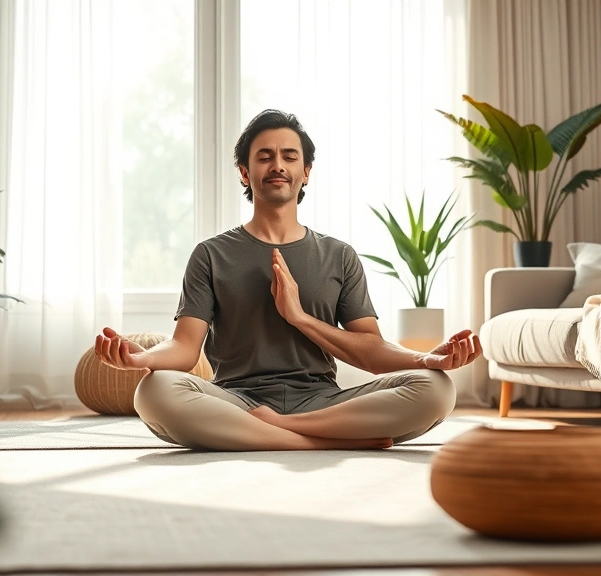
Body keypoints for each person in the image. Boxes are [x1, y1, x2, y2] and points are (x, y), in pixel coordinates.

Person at [96, 109, 481, 451]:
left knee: (436, 387)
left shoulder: (338, 255)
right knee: (154, 390)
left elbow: (371, 352)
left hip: (323, 401)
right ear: (246, 173)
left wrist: (425, 358)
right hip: (237, 401)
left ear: (305, 171)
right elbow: (184, 348)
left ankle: (280, 429)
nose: (277, 165)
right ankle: (319, 441)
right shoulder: (211, 255)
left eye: (289, 156)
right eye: (264, 157)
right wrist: (142, 358)